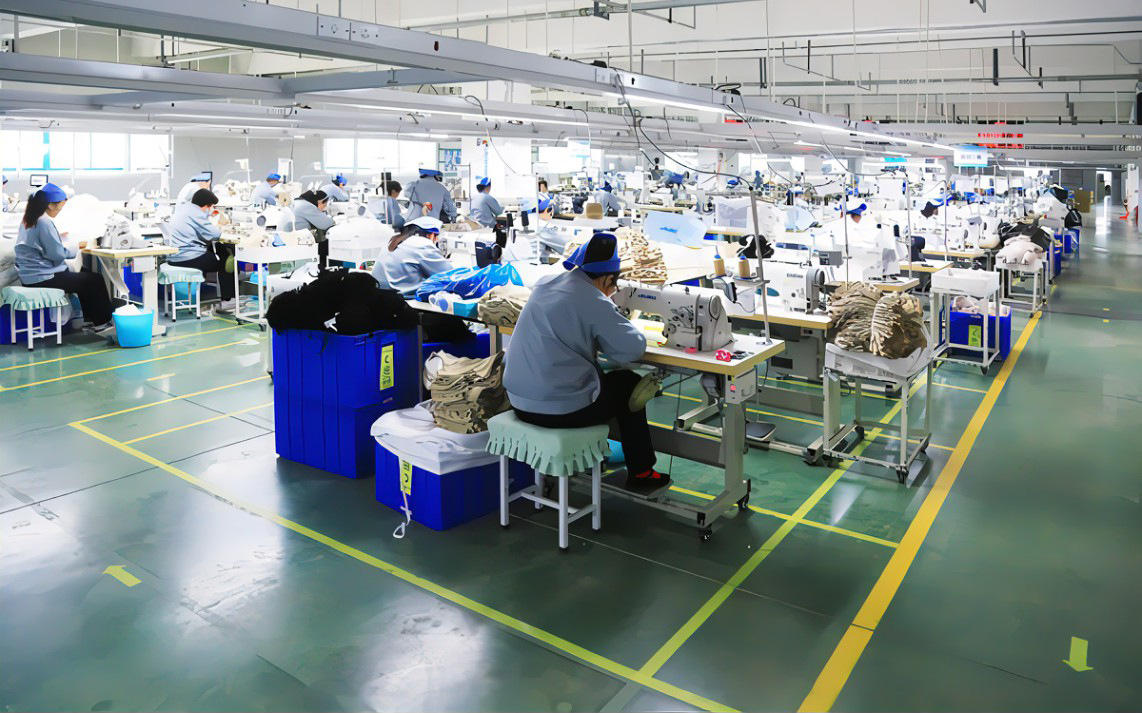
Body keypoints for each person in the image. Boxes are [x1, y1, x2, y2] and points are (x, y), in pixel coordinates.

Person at [503, 232, 669, 494]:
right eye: (613, 287)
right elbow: (633, 349)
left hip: (518, 402)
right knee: (628, 383)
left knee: (604, 381)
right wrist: (617, 319)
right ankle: (642, 471)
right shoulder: (592, 299)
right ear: (607, 279)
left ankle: (601, 453)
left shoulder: (545, 284)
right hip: (557, 411)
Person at [15, 182, 114, 333]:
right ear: (50, 205)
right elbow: (57, 255)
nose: (59, 211)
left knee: (85, 274)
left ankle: (90, 321)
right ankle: (103, 323)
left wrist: (57, 238)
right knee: (94, 280)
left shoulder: (29, 219)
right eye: (60, 208)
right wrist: (77, 247)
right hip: (43, 277)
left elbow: (37, 244)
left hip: (29, 276)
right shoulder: (44, 222)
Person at [167, 188, 236, 311]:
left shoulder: (183, 209)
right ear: (206, 205)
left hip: (175, 256)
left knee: (218, 250)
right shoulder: (196, 213)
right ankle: (228, 300)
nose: (210, 209)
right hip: (187, 258)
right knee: (227, 261)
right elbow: (215, 234)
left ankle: (226, 297)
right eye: (210, 206)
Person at [370, 216, 453, 296]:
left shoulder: (393, 240)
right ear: (431, 234)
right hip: (405, 298)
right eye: (436, 236)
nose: (437, 240)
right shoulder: (421, 243)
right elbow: (449, 275)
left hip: (381, 294)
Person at [292, 190, 337, 269]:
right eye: (324, 205)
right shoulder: (307, 206)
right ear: (319, 202)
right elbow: (326, 224)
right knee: (329, 244)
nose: (324, 209)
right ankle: (324, 269)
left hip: (291, 238)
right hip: (298, 242)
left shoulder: (296, 202)